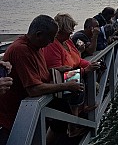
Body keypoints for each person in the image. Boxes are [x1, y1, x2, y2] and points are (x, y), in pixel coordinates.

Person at [0, 15, 84, 144]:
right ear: (39, 35)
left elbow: (37, 72)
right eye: (50, 38)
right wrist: (66, 86)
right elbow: (33, 89)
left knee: (63, 112)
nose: (51, 42)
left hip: (29, 110)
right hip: (18, 114)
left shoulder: (36, 46)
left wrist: (55, 70)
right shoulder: (22, 50)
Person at [43, 13, 100, 137]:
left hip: (72, 77)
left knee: (87, 83)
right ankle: (73, 126)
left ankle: (79, 114)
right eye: (69, 31)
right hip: (60, 86)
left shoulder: (67, 41)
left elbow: (77, 60)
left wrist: (89, 64)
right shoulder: (52, 45)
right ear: (60, 31)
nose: (71, 34)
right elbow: (56, 73)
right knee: (58, 125)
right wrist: (85, 70)